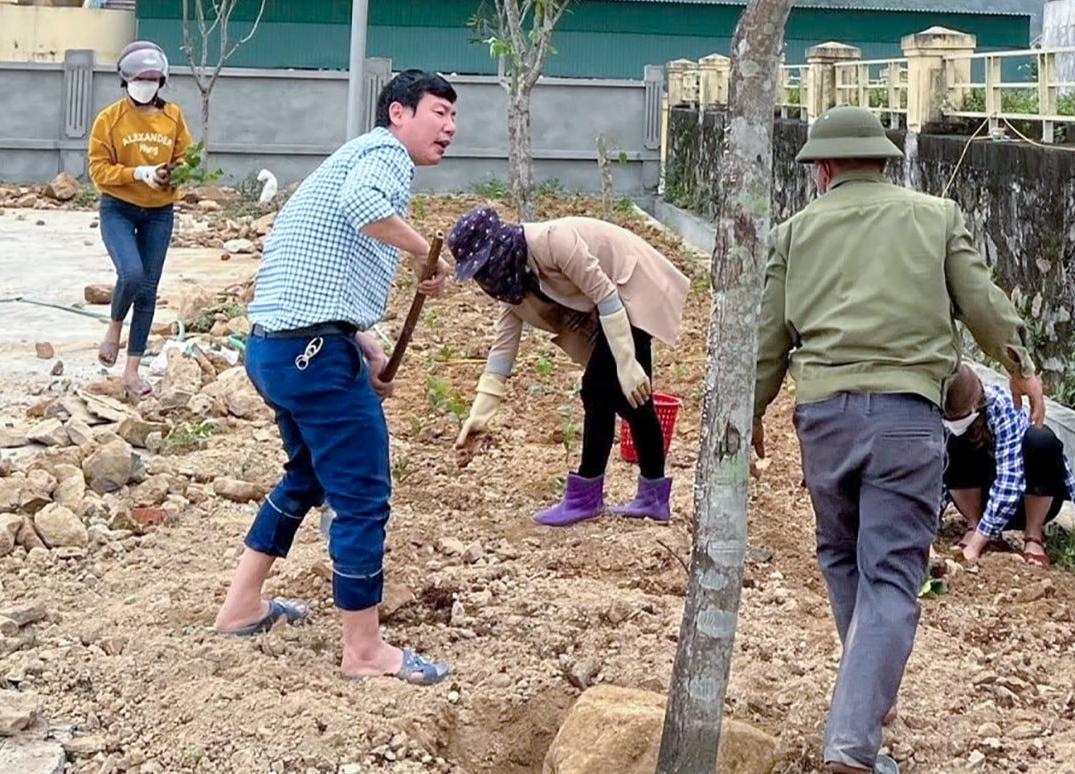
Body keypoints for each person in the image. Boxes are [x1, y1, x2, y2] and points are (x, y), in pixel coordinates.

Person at [752, 103, 1044, 774]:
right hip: (908, 420)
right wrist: (1021, 365)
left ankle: (867, 687)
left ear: (821, 170)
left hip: (823, 419)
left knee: (840, 552)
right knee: (890, 573)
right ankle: (854, 743)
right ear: (884, 163)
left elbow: (767, 338)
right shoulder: (936, 217)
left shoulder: (793, 234)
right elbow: (982, 301)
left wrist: (749, 411)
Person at [211, 71, 458, 683]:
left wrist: (363, 344)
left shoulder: (353, 157)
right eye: (438, 111)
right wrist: (428, 252)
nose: (449, 126)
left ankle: (241, 605)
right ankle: (365, 649)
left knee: (305, 476)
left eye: (454, 116)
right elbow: (364, 208)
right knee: (362, 496)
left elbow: (319, 271)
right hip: (312, 356)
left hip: (277, 349)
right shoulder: (384, 155)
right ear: (398, 113)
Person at [450, 208, 690, 525]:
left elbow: (606, 295)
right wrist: (478, 417)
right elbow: (502, 351)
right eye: (476, 273)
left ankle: (589, 497)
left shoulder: (552, 241)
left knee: (598, 390)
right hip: (611, 305)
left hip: (632, 286)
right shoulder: (513, 284)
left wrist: (627, 362)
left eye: (483, 267)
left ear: (500, 247)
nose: (484, 279)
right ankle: (650, 496)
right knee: (628, 399)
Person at [87, 41, 193, 396]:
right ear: (126, 80)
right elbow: (99, 170)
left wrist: (172, 173)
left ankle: (132, 372)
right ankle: (114, 326)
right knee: (130, 273)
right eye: (140, 79)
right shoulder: (109, 119)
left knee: (148, 288)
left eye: (153, 79)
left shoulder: (172, 116)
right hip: (119, 206)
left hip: (159, 212)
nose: (147, 85)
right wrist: (138, 173)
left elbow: (185, 158)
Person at [942, 371, 1075, 566]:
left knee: (1040, 438)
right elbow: (931, 472)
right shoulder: (938, 411)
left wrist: (975, 547)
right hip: (982, 497)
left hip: (1026, 497)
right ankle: (973, 524)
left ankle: (1033, 535)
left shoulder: (1004, 406)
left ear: (975, 405)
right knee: (956, 440)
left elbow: (1009, 481)